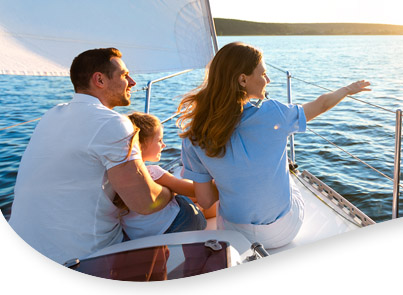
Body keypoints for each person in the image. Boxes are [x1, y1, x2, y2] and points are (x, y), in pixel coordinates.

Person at [178, 42, 371, 249]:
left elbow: (205, 201)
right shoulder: (274, 113)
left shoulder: (194, 135)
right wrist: (347, 90)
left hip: (234, 234)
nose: (268, 80)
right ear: (243, 79)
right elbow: (321, 104)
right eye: (263, 74)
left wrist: (232, 181)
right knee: (287, 172)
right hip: (283, 231)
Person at [9, 48, 173, 264]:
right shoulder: (113, 122)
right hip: (80, 257)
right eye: (124, 75)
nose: (132, 82)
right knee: (186, 215)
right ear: (100, 80)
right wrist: (171, 192)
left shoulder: (53, 114)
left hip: (21, 246)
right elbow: (144, 202)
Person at [116, 112, 212, 240]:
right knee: (195, 201)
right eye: (159, 140)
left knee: (178, 195)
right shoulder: (153, 173)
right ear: (140, 145)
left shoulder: (115, 177)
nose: (164, 145)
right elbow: (195, 191)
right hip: (181, 224)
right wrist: (215, 182)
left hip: (140, 235)